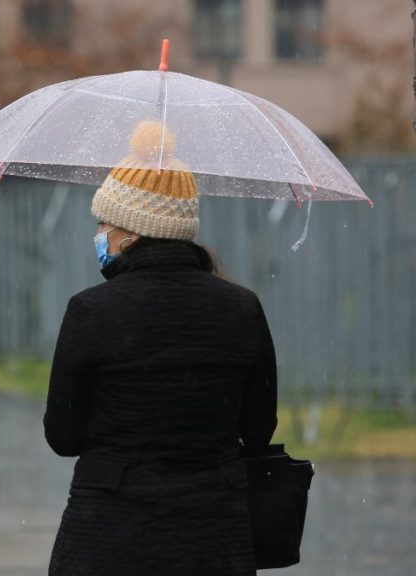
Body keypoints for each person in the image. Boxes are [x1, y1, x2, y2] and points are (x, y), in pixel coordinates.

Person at [44, 121, 277, 576]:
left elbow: (63, 436)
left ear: (131, 233)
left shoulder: (91, 310)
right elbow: (258, 430)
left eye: (104, 223)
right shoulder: (242, 307)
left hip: (108, 535)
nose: (99, 234)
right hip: (214, 537)